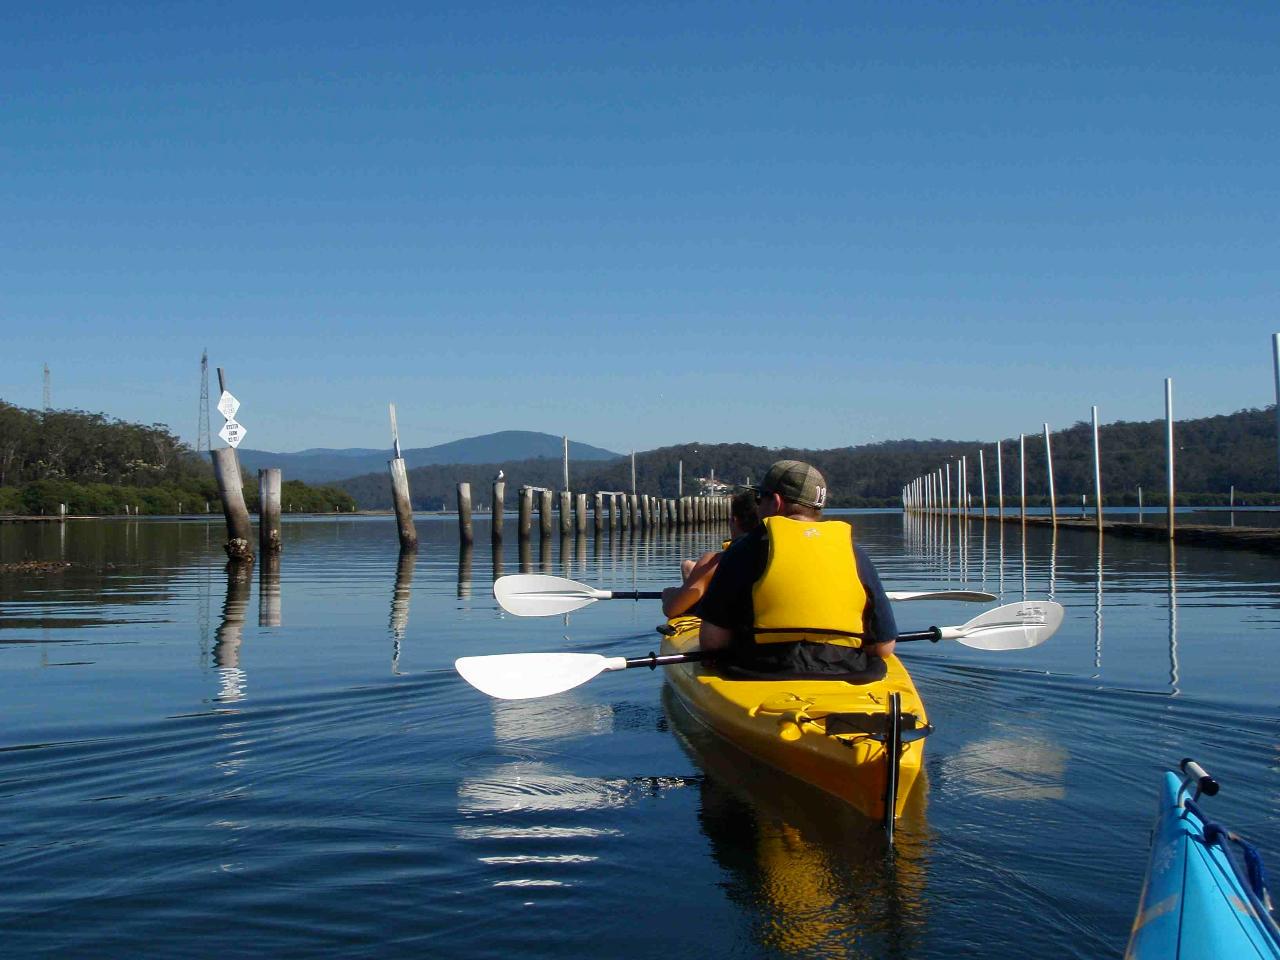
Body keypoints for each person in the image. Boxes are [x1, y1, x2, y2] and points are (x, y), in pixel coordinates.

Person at [697, 460, 897, 679]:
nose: (757, 506)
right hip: (847, 672)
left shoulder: (743, 550)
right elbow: (884, 647)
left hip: (759, 672)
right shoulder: (855, 553)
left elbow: (712, 641)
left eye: (758, 499)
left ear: (776, 502)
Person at [661, 490, 759, 617]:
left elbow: (671, 610)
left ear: (734, 520)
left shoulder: (713, 562)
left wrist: (669, 595)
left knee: (687, 568)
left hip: (728, 626)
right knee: (688, 567)